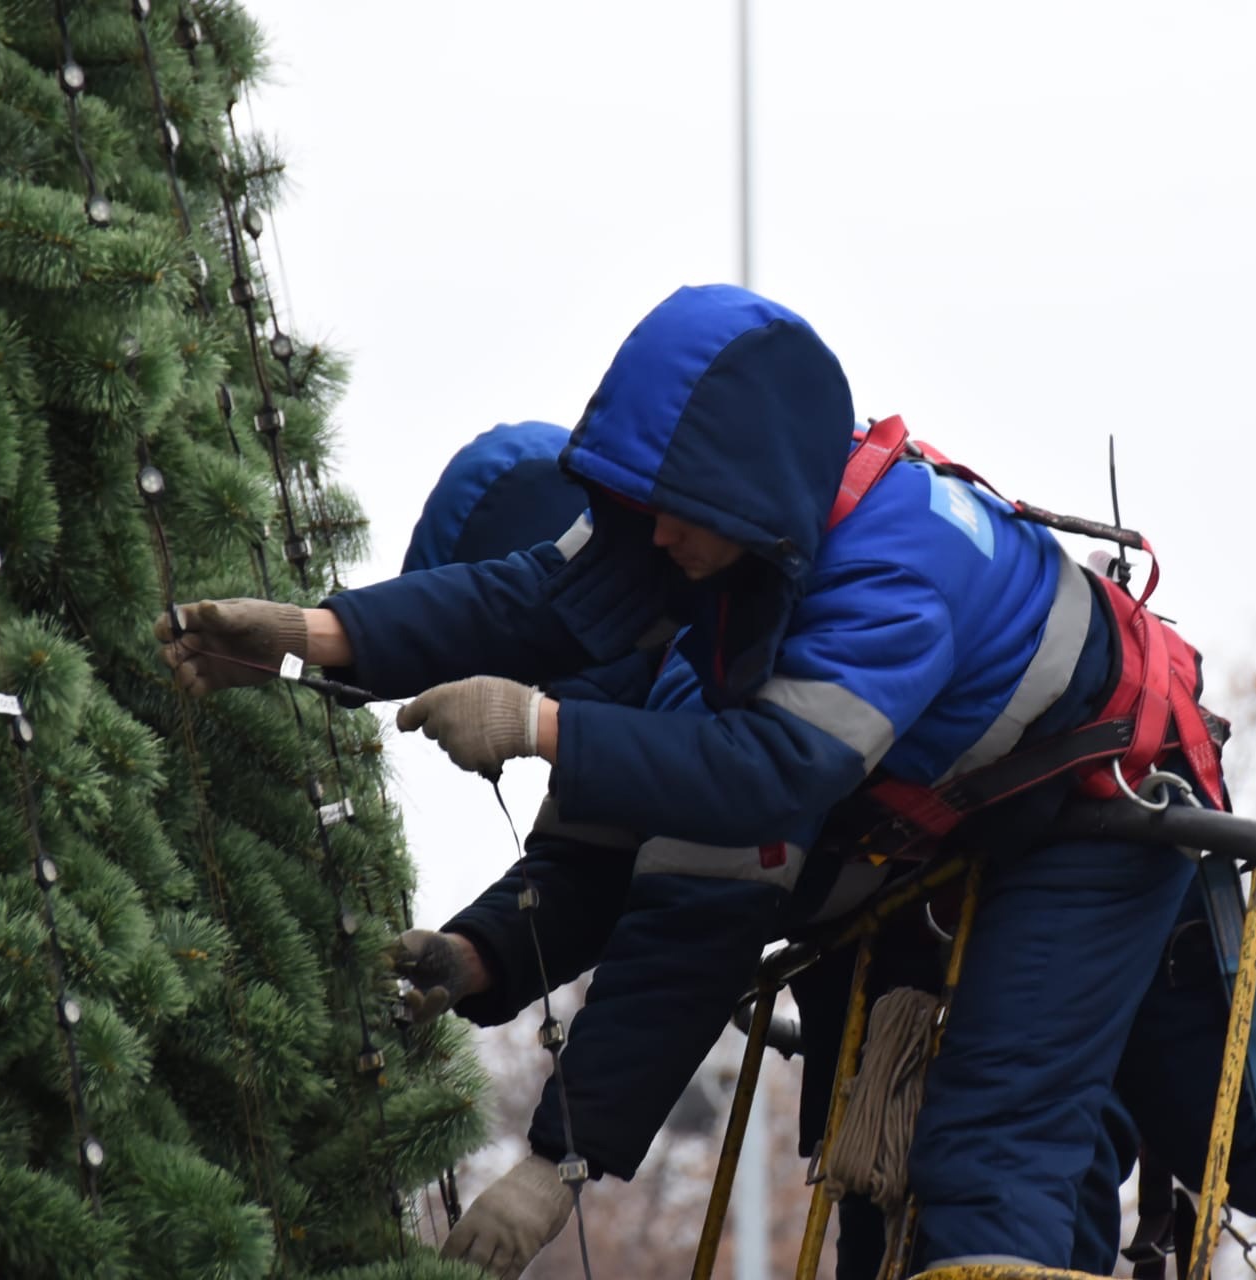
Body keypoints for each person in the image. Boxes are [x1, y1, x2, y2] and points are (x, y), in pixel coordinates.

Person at [159, 284, 1256, 1278]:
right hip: (1013, 854)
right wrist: (319, 639)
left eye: (666, 515)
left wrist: (558, 1165)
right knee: (1242, 1123)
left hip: (1098, 831)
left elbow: (729, 833)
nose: (650, 544)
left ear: (736, 495)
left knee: (988, 1160)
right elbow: (534, 624)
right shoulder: (706, 582)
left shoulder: (868, 590)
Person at [371, 415, 1140, 1276]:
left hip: (1066, 864)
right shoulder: (654, 677)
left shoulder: (730, 669)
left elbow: (690, 924)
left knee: (996, 1169)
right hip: (907, 948)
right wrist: (478, 950)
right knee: (887, 1200)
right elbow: (592, 857)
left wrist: (561, 1163)